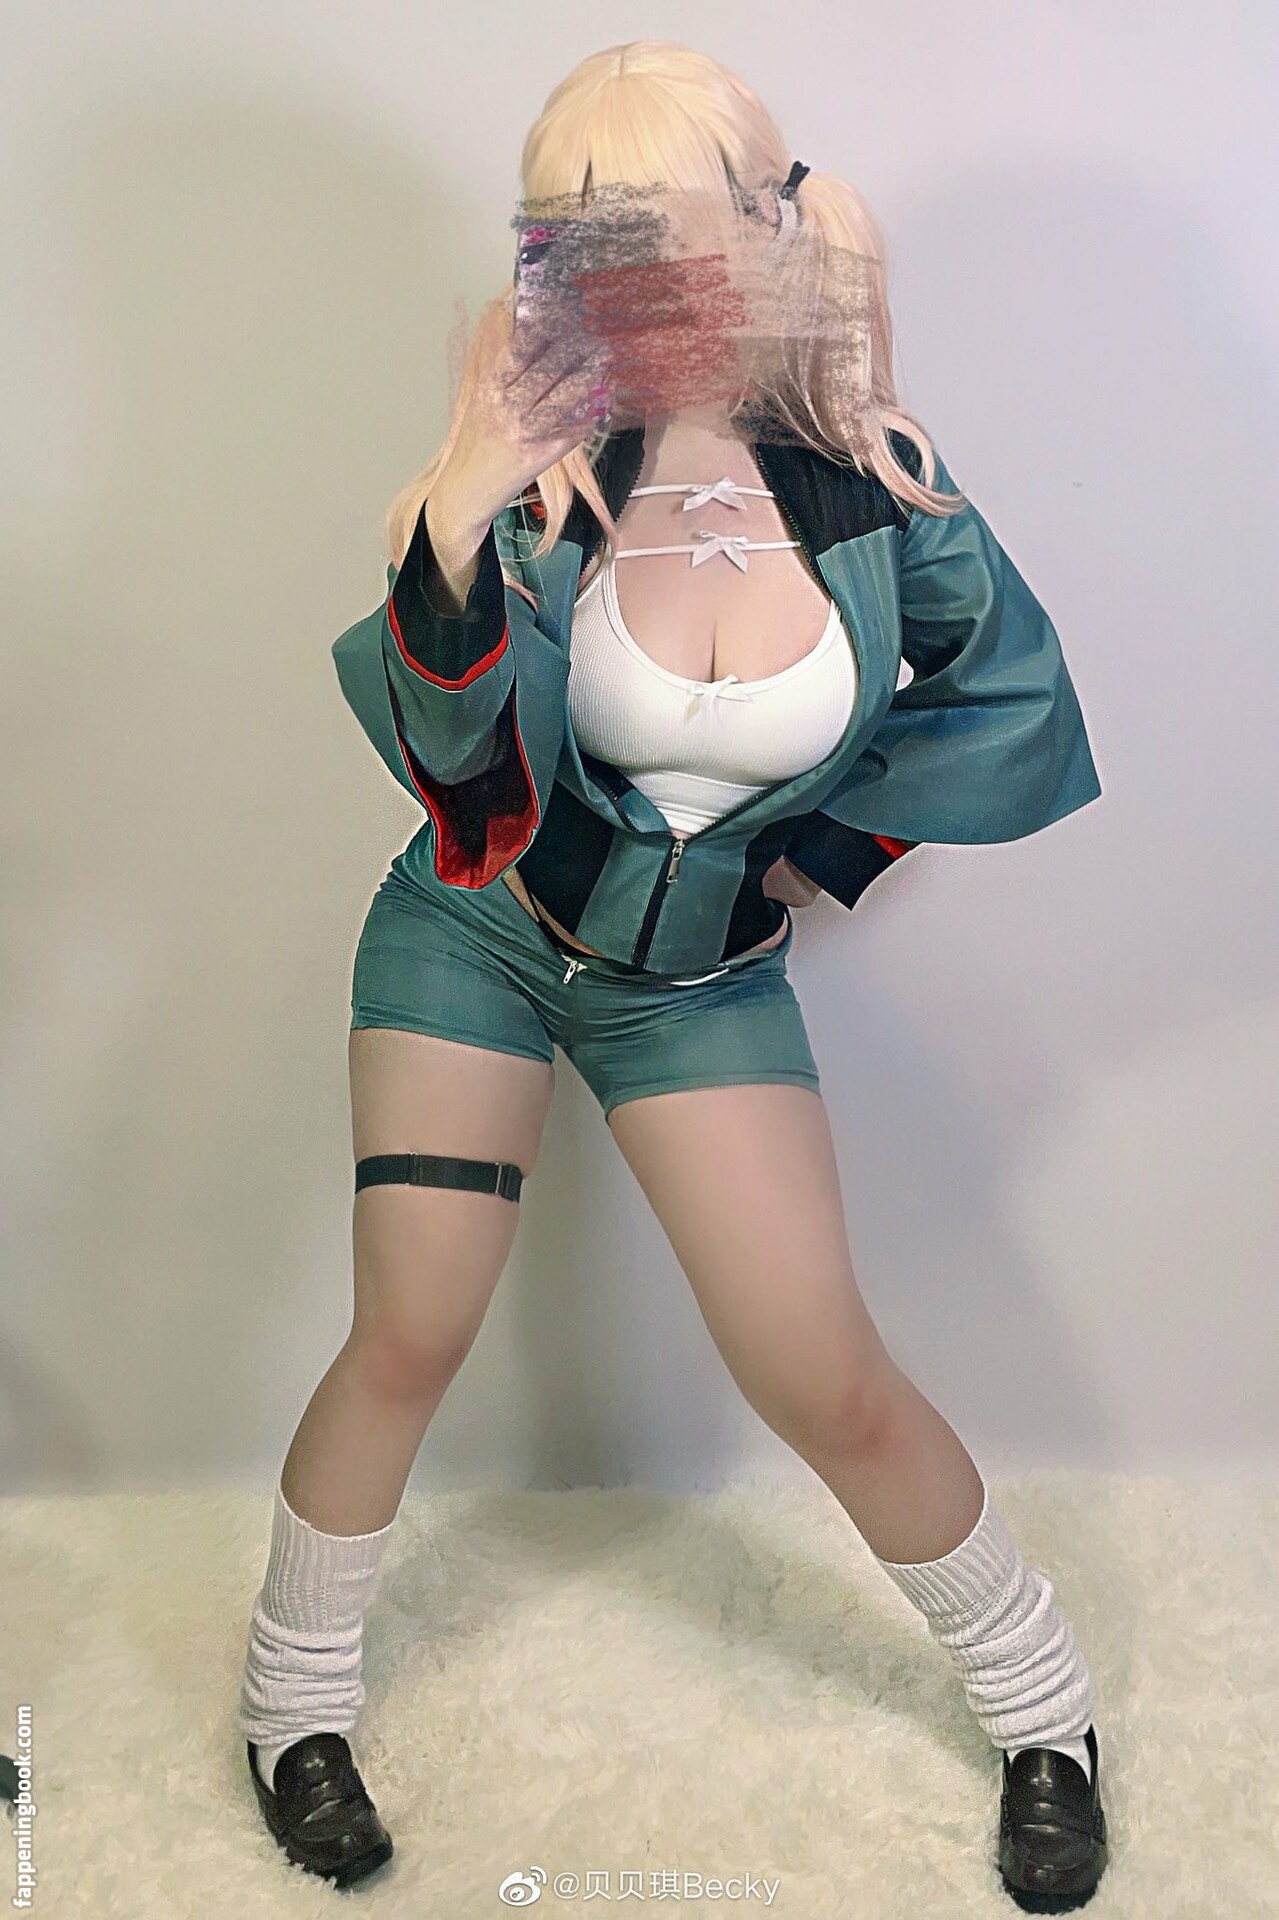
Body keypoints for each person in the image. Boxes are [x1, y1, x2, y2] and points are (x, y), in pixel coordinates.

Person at [238, 40, 1108, 1907]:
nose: (630, 270)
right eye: (581, 231)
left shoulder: (870, 487)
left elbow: (1002, 699)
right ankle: (289, 1707)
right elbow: (454, 765)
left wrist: (814, 861)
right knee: (411, 1330)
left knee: (822, 1368)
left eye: (666, 224)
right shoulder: (537, 483)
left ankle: (1049, 1714)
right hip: (476, 937)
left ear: (762, 224)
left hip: (694, 990)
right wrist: (461, 506)